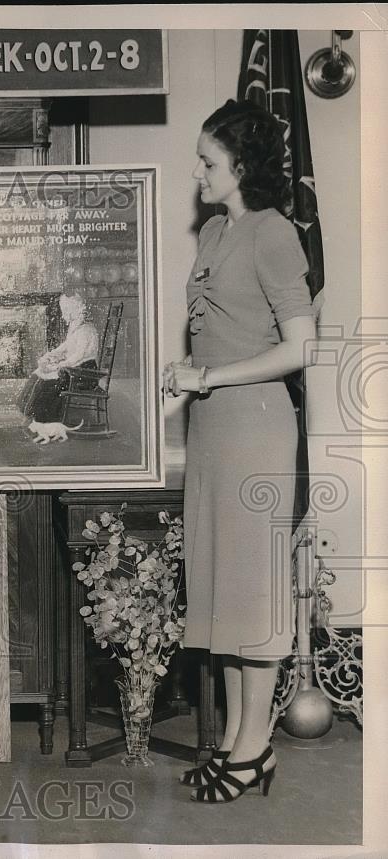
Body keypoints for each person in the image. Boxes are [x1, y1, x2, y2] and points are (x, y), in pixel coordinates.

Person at [163, 100, 317, 803]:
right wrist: (187, 376)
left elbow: (299, 347)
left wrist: (209, 376)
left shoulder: (274, 233)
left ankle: (256, 749)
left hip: (255, 427)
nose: (197, 172)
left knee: (254, 595)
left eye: (208, 161)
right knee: (224, 589)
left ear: (242, 167)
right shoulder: (219, 230)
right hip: (214, 429)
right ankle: (232, 738)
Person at [17, 291, 100, 424]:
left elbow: (79, 355)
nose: (63, 315)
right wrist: (49, 356)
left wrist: (60, 364)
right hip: (74, 368)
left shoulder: (86, 330)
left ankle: (45, 419)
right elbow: (65, 347)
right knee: (38, 374)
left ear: (73, 311)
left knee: (48, 382)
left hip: (85, 373)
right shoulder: (75, 329)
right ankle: (29, 413)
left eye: (66, 311)